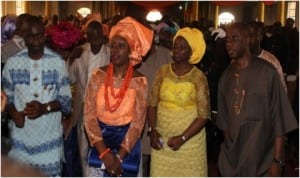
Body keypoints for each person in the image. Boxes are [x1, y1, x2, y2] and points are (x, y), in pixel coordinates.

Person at [216, 22, 298, 176]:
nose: (229, 43)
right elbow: (224, 121)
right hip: (233, 161)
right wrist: (230, 152)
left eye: (234, 39)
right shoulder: (225, 77)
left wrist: (277, 160)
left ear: (247, 40)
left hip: (262, 160)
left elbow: (279, 119)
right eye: (227, 39)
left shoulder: (267, 72)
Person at [1, 15, 72, 176]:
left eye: (39, 36)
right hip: (20, 145)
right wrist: (13, 113)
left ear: (45, 35)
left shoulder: (57, 62)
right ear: (24, 38)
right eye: (31, 37)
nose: (35, 42)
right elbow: (7, 97)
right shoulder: (12, 63)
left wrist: (44, 108)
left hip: (49, 146)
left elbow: (66, 102)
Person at [84, 16, 153, 177]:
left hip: (127, 146)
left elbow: (137, 123)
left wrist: (118, 157)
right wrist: (104, 154)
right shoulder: (97, 75)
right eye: (112, 46)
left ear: (131, 50)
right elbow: (89, 116)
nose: (114, 50)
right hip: (99, 142)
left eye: (121, 46)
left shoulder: (140, 81)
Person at [148, 27, 210, 176]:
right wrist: (152, 130)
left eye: (182, 48)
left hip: (190, 145)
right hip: (162, 143)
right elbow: (152, 103)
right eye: (175, 46)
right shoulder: (162, 71)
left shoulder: (198, 77)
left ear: (191, 51)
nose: (177, 50)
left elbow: (204, 115)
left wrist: (183, 138)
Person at [67, 20, 110, 176]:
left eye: (100, 37)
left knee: (102, 150)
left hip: (105, 110)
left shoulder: (110, 53)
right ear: (88, 37)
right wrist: (71, 59)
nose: (97, 41)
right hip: (84, 109)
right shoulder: (81, 53)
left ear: (104, 36)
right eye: (93, 37)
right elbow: (70, 78)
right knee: (84, 150)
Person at [136, 30, 173, 177]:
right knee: (141, 164)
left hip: (164, 120)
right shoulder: (134, 58)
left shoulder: (166, 55)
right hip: (139, 121)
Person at [248, 21, 287, 93]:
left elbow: (281, 90)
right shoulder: (238, 60)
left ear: (260, 37)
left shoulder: (271, 61)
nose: (248, 39)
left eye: (251, 35)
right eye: (245, 36)